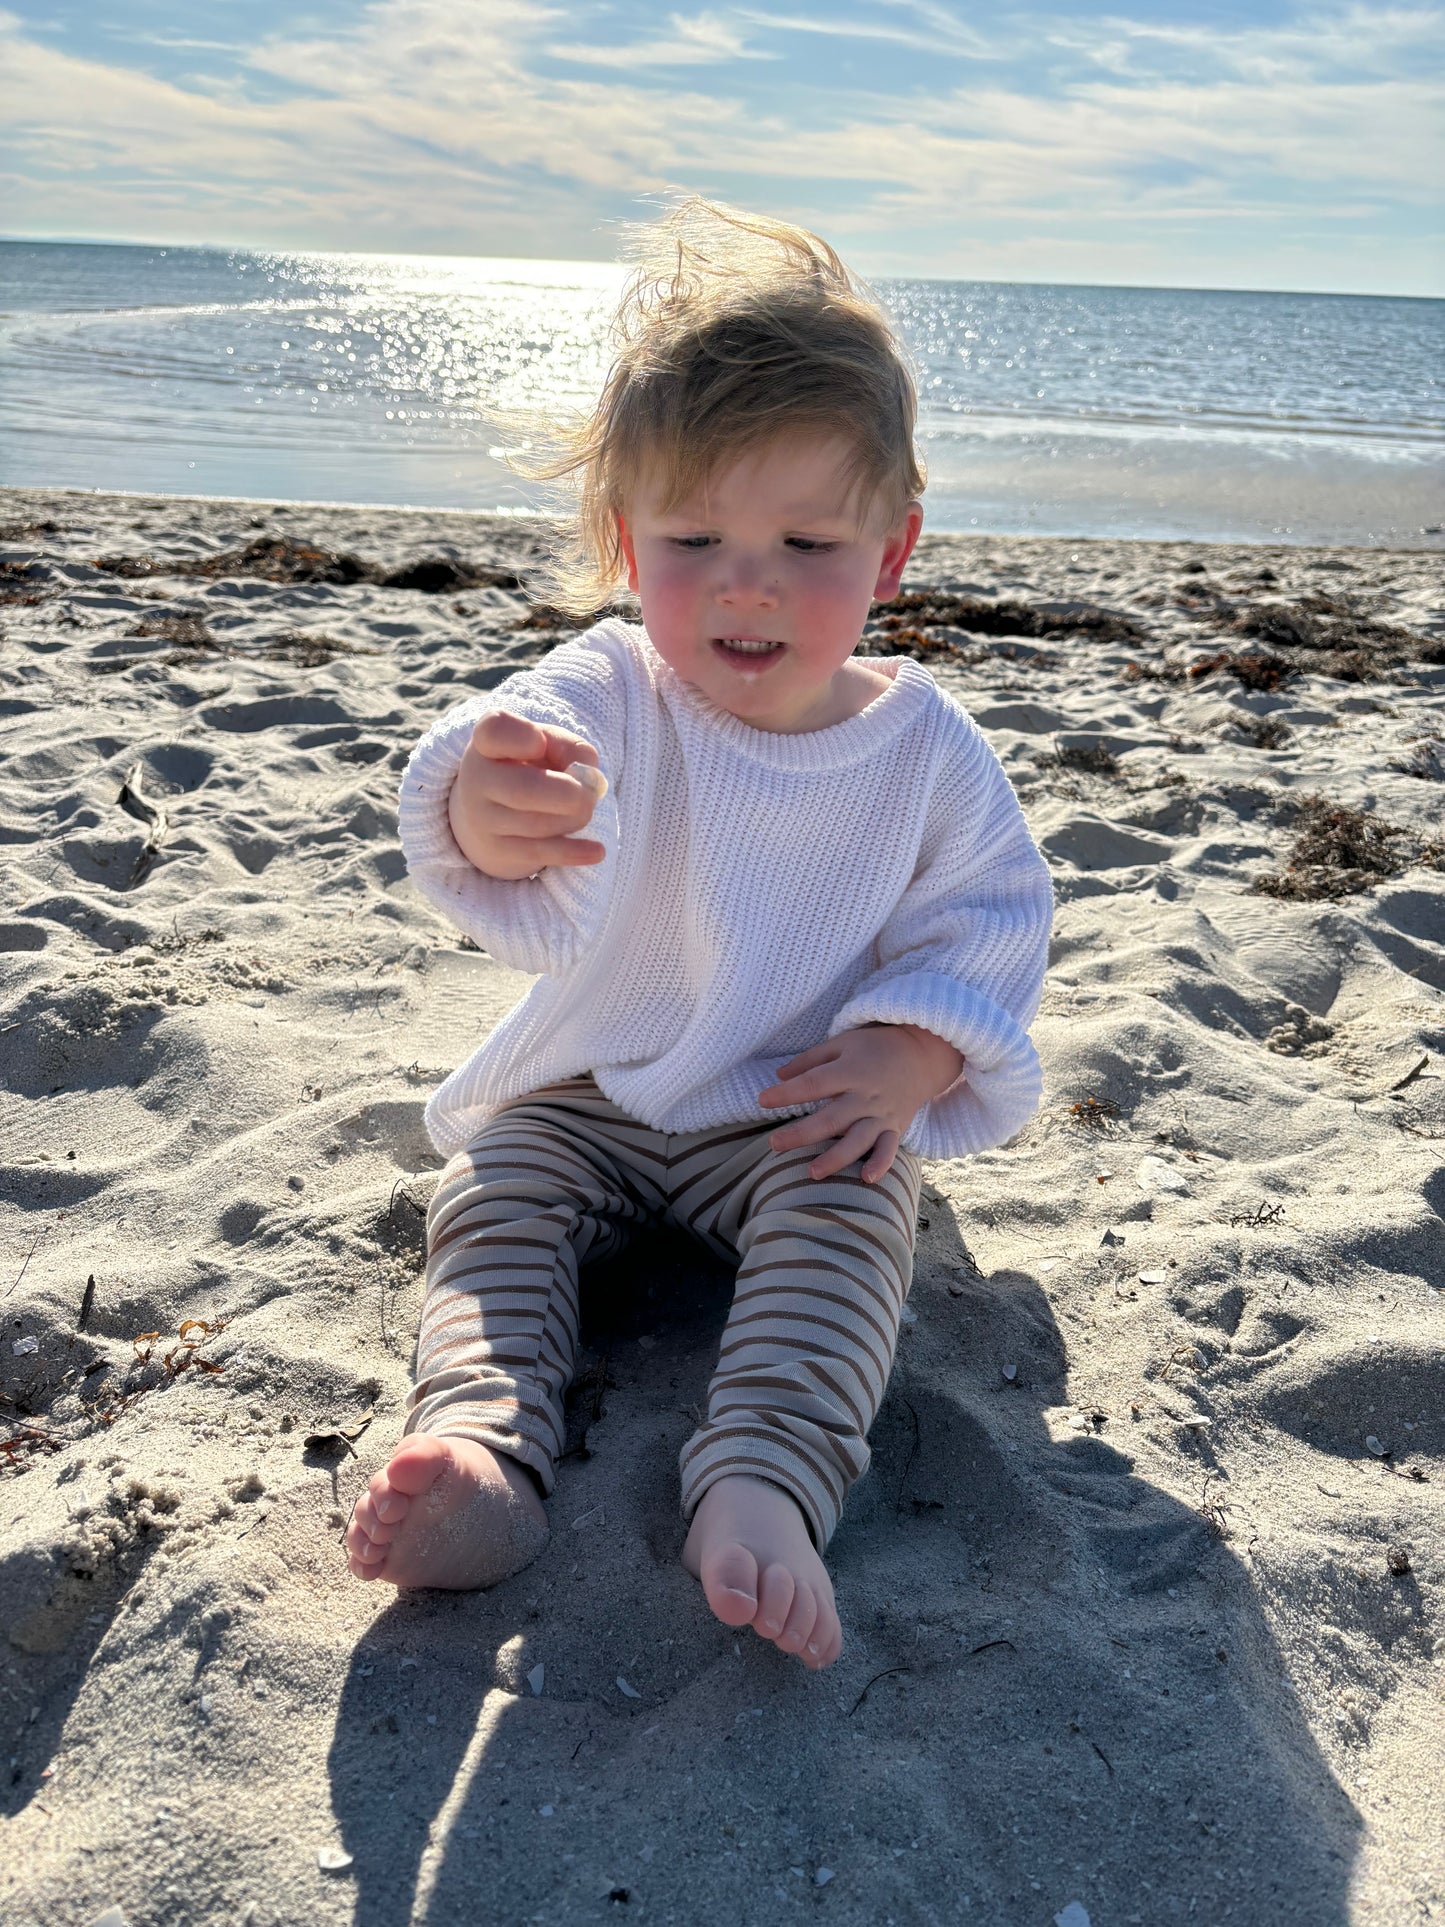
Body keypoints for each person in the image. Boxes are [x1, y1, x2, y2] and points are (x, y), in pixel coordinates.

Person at [345, 199, 1053, 1670]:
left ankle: (762, 1485)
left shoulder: (924, 747)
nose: (745, 582)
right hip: (591, 1091)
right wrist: (490, 806)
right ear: (624, 541)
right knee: (492, 1211)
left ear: (893, 548)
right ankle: (481, 1456)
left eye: (805, 540)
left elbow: (987, 917)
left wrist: (912, 1057)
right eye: (692, 538)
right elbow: (498, 764)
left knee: (853, 1226)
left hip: (796, 1105)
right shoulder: (613, 687)